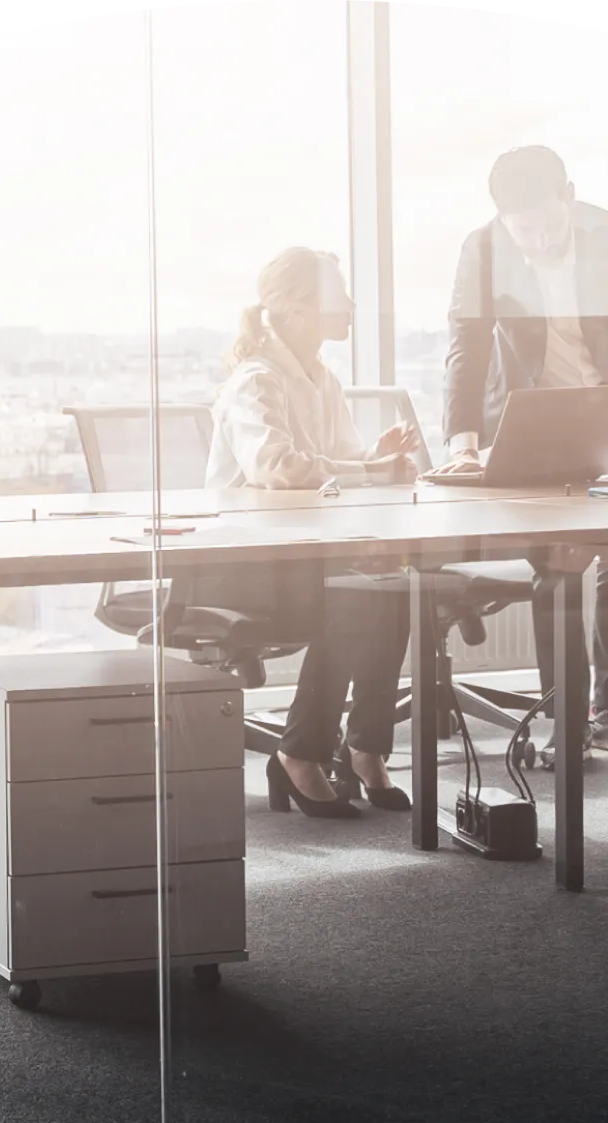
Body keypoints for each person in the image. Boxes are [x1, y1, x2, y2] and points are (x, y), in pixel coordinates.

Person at [429, 145, 608, 759]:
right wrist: (464, 444)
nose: (539, 241)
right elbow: (467, 347)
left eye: (548, 225)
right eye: (524, 231)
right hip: (534, 422)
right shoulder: (483, 248)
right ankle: (565, 718)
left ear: (569, 195)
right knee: (558, 564)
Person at [194, 247, 421, 818]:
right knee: (356, 597)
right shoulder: (255, 381)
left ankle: (365, 748)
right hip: (242, 566)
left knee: (392, 586)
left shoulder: (322, 378)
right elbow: (276, 467)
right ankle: (299, 752)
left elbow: (337, 463)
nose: (351, 305)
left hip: (303, 558)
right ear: (297, 308)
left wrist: (372, 458)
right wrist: (370, 471)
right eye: (338, 296)